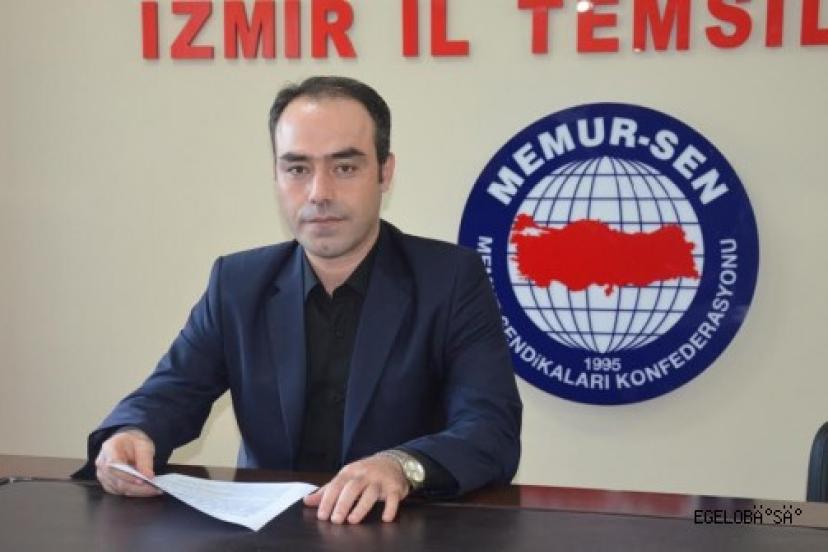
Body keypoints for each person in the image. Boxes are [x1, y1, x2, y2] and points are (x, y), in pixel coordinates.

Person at [76, 76, 522, 525]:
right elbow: (172, 391)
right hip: (268, 532)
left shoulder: (450, 279)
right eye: (297, 169)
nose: (319, 193)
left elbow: (491, 430)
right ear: (276, 174)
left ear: (384, 172)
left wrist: (400, 466)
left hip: (399, 529)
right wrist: (133, 433)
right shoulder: (238, 283)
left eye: (344, 168)